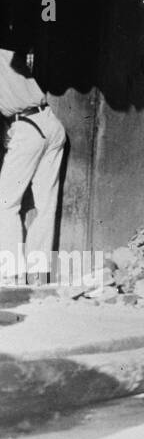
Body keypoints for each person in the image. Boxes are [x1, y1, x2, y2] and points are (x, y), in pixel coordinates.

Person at [0, 43, 66, 285]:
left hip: (28, 129)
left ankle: (8, 275)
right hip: (51, 123)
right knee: (46, 205)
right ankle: (38, 275)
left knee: (5, 203)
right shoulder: (6, 53)